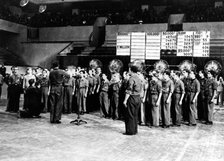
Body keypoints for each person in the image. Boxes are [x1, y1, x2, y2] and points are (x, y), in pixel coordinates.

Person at [123, 62, 142, 135]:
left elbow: (129, 91)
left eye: (129, 70)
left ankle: (130, 131)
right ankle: (134, 130)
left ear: (131, 70)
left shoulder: (131, 79)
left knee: (130, 114)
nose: (128, 71)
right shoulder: (138, 78)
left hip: (132, 98)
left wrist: (125, 100)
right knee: (135, 115)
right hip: (138, 97)